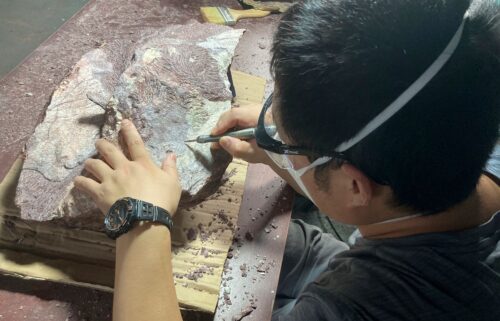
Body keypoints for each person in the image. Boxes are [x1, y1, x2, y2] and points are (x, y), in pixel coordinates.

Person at [74, 0, 500, 320]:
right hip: (355, 250)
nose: (271, 134)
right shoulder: (467, 133)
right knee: (251, 240)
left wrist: (141, 221)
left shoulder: (358, 308)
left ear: (355, 186)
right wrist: (294, 158)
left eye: (288, 142)